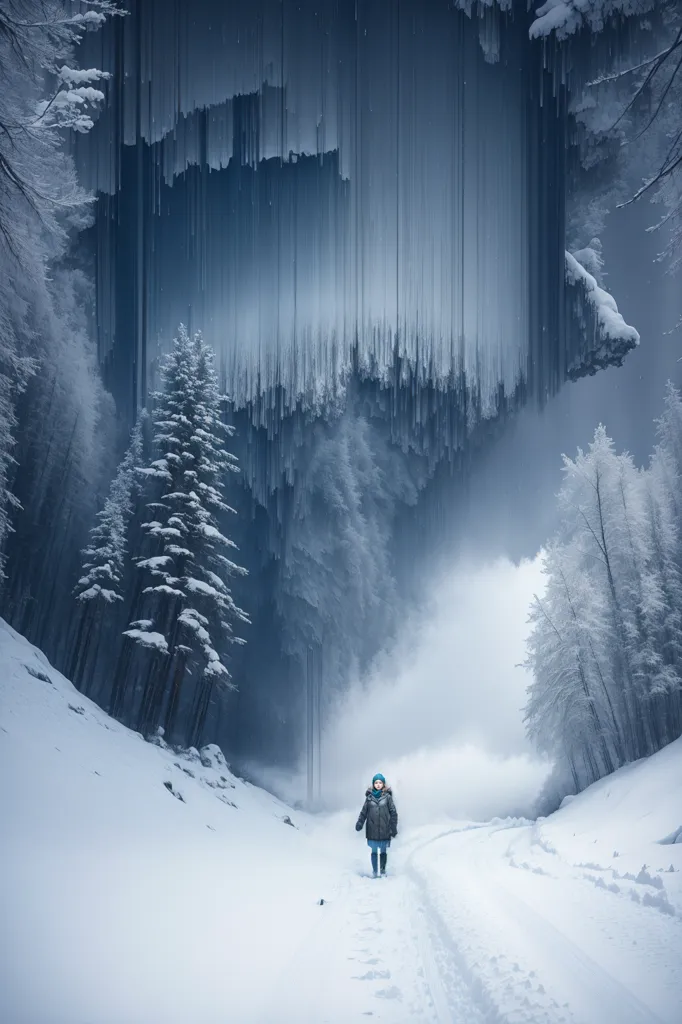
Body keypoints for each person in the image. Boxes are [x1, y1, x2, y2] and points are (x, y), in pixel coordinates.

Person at [355, 773, 398, 877]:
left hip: (385, 829)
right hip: (372, 829)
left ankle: (382, 871)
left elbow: (393, 813)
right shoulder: (369, 798)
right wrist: (360, 823)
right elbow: (363, 812)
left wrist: (393, 827)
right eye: (376, 782)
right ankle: (375, 872)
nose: (378, 784)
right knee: (374, 851)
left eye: (380, 782)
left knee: (383, 851)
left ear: (383, 784)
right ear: (373, 784)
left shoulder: (388, 797)